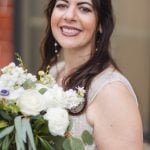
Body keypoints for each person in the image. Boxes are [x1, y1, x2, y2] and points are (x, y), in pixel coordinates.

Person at [40, 0, 143, 149]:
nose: (69, 15)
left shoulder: (111, 92)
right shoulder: (55, 72)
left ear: (101, 23)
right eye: (62, 5)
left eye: (84, 9)